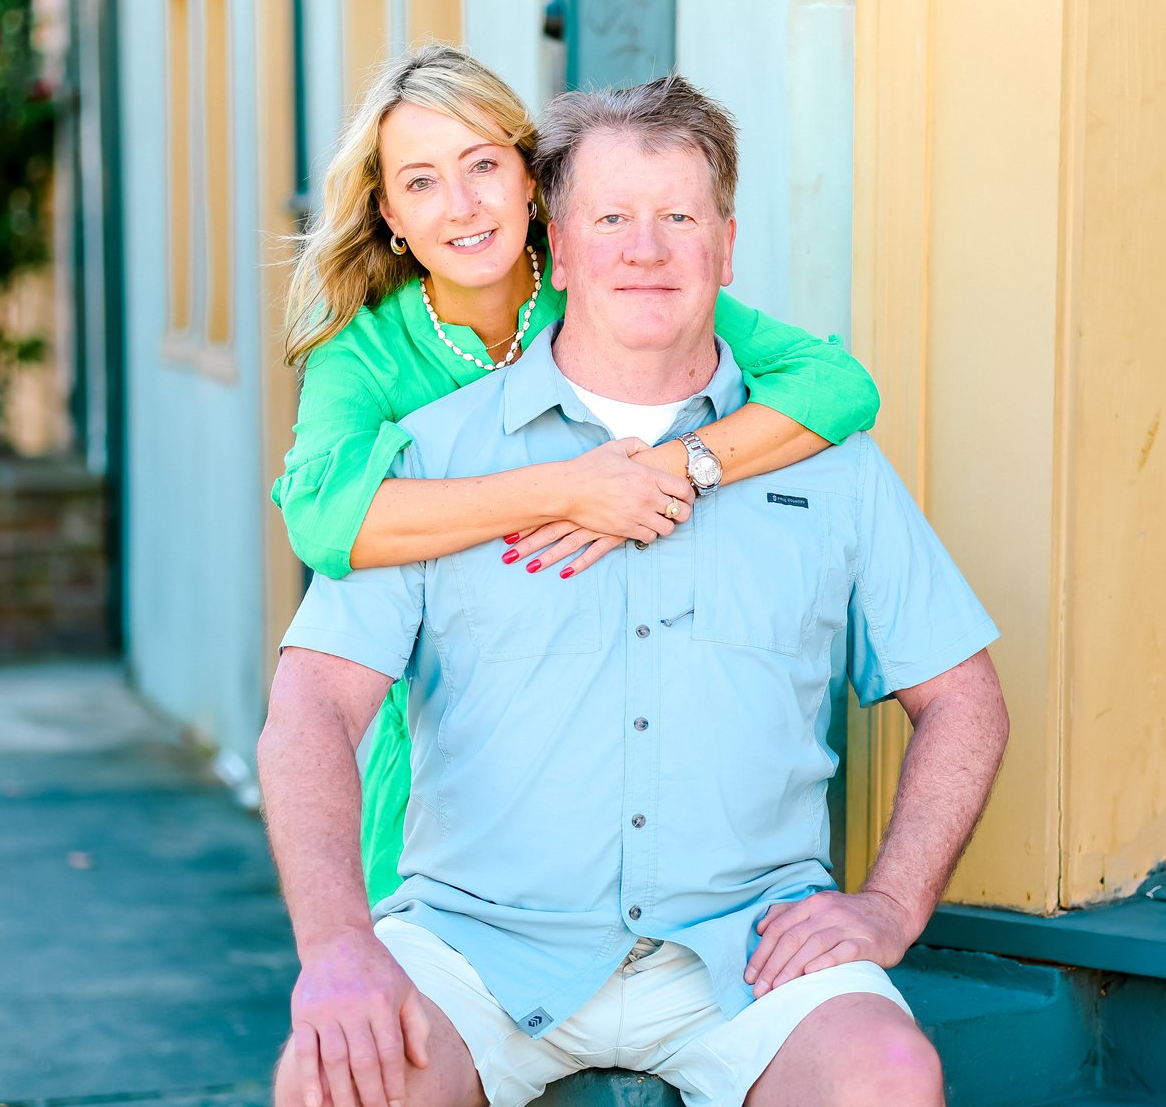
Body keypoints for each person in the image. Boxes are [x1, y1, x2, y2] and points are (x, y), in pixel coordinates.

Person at [259, 75, 1011, 1107]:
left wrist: (889, 904)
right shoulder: (425, 457)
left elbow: (965, 695)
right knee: (336, 1084)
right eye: (611, 219)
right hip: (478, 938)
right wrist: (339, 942)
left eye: (679, 219)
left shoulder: (829, 463)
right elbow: (311, 699)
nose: (645, 250)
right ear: (561, 248)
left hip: (751, 943)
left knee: (886, 1076)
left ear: (727, 247)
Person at [273, 45, 882, 905]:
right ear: (390, 214)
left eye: (484, 166)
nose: (462, 206)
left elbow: (838, 384)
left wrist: (676, 467)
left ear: (532, 179)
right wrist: (567, 489)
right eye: (421, 182)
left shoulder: (601, 279)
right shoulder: (365, 351)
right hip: (445, 758)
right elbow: (324, 517)